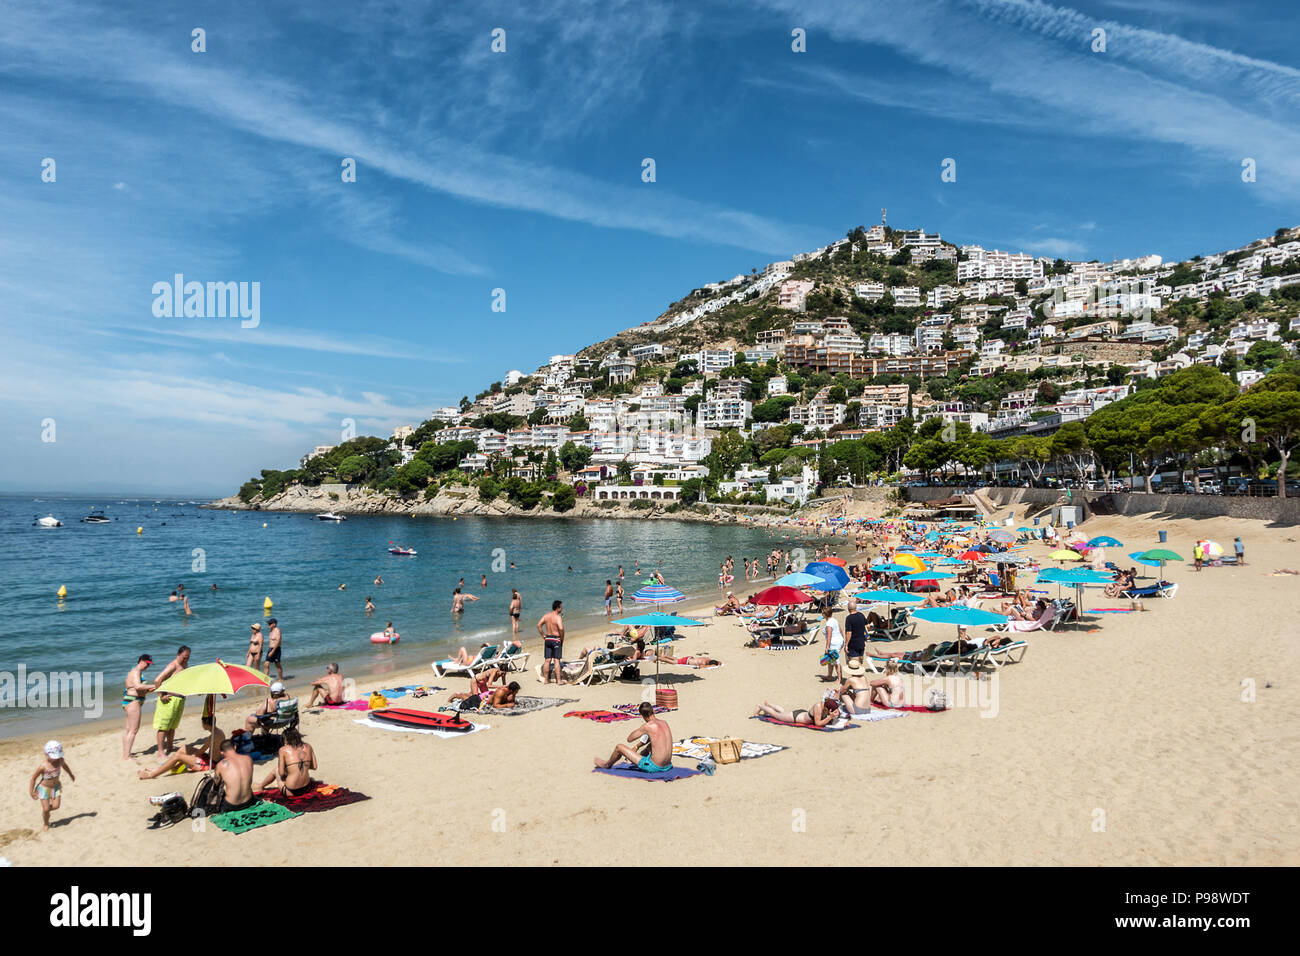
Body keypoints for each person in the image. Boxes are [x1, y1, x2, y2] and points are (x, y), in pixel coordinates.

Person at [594, 701, 673, 773]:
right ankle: (634, 759)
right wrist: (637, 746)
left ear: (643, 715)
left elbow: (629, 739)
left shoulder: (648, 726)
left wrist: (642, 729)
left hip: (655, 767)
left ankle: (607, 765)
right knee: (651, 745)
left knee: (619, 747)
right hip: (668, 766)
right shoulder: (664, 723)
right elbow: (654, 738)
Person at [137, 716, 225, 778]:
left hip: (209, 764)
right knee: (184, 747)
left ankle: (152, 774)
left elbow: (200, 752)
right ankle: (161, 768)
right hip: (210, 758)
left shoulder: (212, 736)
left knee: (178, 756)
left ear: (205, 724)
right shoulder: (219, 731)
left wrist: (182, 762)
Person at [152, 645, 191, 756]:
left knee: (172, 726)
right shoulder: (173, 666)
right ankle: (160, 751)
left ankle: (169, 748)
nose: (185, 659)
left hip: (180, 699)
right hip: (169, 699)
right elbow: (157, 680)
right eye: (184, 657)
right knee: (163, 727)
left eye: (188, 657)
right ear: (178, 655)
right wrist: (161, 695)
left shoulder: (185, 665)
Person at [259, 728, 317, 796]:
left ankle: (261, 786)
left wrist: (291, 769)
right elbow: (314, 767)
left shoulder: (283, 750)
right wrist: (303, 765)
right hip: (307, 788)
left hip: (290, 791)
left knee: (276, 770)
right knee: (295, 771)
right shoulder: (308, 746)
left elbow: (281, 773)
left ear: (286, 739)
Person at [30, 740, 74, 830]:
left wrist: (71, 774)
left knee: (56, 806)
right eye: (54, 757)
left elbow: (65, 766)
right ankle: (46, 823)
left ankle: (45, 812)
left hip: (56, 787)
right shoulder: (43, 766)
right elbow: (33, 778)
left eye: (57, 756)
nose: (56, 759)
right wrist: (31, 792)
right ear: (46, 755)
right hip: (44, 788)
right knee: (46, 809)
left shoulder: (60, 761)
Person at [121, 654, 155, 760]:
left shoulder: (135, 671)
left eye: (149, 664)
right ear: (141, 660)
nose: (147, 666)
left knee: (128, 729)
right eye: (147, 663)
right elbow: (137, 686)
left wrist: (148, 690)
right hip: (133, 702)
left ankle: (126, 753)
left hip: (130, 701)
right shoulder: (136, 672)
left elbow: (137, 689)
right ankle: (126, 756)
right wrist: (155, 685)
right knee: (133, 730)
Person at [214, 739, 256, 814]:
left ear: (221, 752)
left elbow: (216, 784)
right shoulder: (248, 759)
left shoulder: (221, 765)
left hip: (231, 805)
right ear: (235, 747)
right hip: (248, 802)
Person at [754, 697, 842, 728]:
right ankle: (760, 706)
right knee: (776, 715)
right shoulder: (818, 707)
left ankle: (769, 704)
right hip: (796, 718)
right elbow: (818, 724)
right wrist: (830, 717)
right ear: (829, 710)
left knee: (783, 712)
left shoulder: (827, 705)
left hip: (802, 714)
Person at [538, 600, 566, 685]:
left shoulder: (546, 616)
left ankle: (546, 680)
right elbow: (561, 628)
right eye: (561, 607)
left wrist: (543, 635)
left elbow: (539, 625)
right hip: (556, 639)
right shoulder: (558, 617)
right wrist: (562, 639)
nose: (562, 608)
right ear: (558, 608)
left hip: (548, 639)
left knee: (547, 660)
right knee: (556, 660)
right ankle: (559, 680)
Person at [820, 607, 844, 682]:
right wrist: (843, 641)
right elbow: (840, 630)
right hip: (839, 641)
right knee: (830, 659)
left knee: (836, 660)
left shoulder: (829, 623)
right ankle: (829, 676)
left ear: (825, 614)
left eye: (823, 613)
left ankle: (839, 679)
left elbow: (829, 635)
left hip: (834, 643)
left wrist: (827, 647)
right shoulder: (834, 620)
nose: (822, 614)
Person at [842, 600, 868, 666]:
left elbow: (849, 633)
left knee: (854, 665)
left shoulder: (849, 618)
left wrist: (846, 644)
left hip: (853, 644)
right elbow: (867, 625)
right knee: (860, 664)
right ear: (856, 607)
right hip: (861, 643)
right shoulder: (861, 615)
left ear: (848, 608)